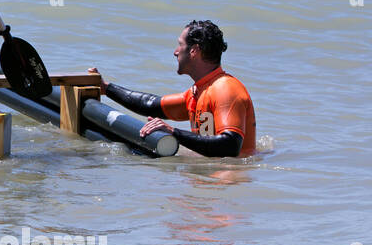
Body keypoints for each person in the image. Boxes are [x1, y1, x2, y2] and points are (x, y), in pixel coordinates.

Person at [89, 20, 256, 157]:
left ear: (194, 50)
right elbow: (151, 105)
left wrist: (173, 132)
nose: (175, 52)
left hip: (231, 182)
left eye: (180, 45)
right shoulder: (198, 92)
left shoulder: (224, 88)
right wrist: (106, 88)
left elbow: (230, 145)